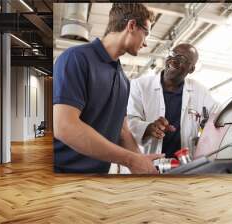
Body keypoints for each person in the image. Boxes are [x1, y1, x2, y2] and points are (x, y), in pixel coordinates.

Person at [53, 3, 163, 174]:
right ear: (132, 26)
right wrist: (131, 160)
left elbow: (122, 131)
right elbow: (65, 126)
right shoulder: (76, 58)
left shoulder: (124, 81)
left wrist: (142, 161)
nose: (146, 44)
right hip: (64, 176)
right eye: (146, 33)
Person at [127, 43, 218, 158]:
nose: (173, 60)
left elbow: (218, 115)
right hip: (149, 162)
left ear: (191, 69)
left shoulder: (200, 91)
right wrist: (148, 128)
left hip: (184, 165)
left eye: (182, 59)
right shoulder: (140, 85)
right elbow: (129, 121)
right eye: (172, 54)